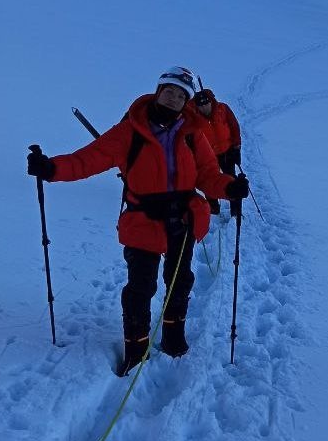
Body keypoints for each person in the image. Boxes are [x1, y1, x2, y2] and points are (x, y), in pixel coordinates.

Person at [27, 66, 249, 374]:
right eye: (168, 91)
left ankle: (173, 339)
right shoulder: (130, 131)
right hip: (143, 220)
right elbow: (88, 159)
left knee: (180, 281)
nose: (173, 98)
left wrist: (229, 187)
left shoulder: (192, 134)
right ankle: (137, 348)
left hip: (182, 220)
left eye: (180, 95)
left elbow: (208, 175)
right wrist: (50, 168)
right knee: (140, 288)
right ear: (158, 92)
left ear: (186, 101)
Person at [191, 88, 243, 215]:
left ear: (211, 101)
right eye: (201, 104)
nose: (204, 106)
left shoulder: (222, 109)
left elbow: (234, 126)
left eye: (206, 103)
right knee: (210, 181)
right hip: (207, 155)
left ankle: (235, 211)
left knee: (231, 180)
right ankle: (213, 208)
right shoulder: (193, 117)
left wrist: (236, 147)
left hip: (227, 152)